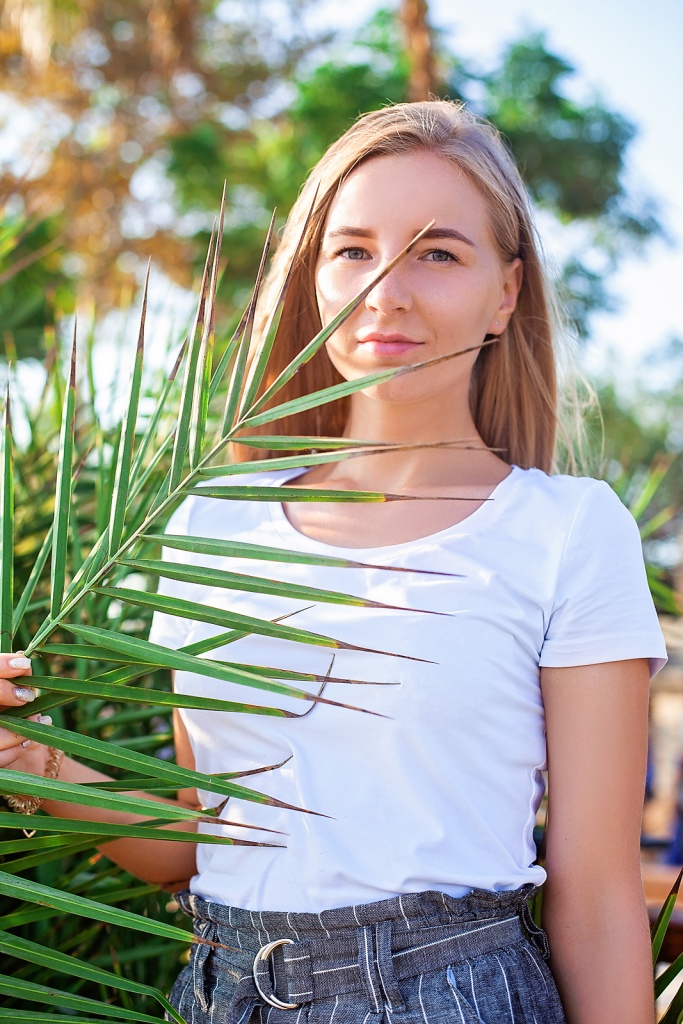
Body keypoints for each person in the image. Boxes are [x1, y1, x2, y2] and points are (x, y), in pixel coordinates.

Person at [0, 100, 668, 1024]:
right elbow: (197, 840)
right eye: (352, 250)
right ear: (313, 276)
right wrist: (35, 756)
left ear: (506, 292)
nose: (385, 290)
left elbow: (594, 897)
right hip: (224, 994)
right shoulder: (212, 519)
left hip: (453, 997)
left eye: (438, 254)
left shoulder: (566, 530)